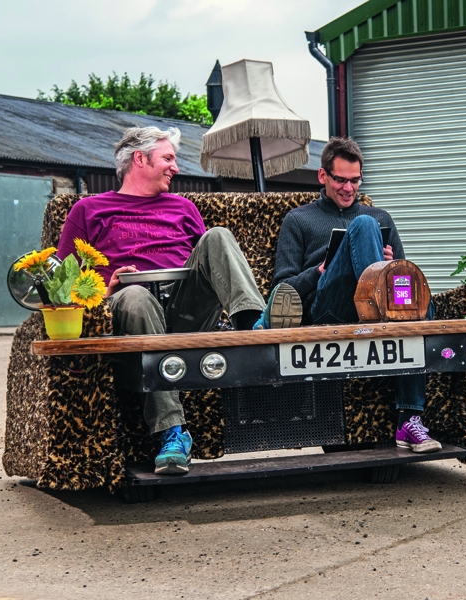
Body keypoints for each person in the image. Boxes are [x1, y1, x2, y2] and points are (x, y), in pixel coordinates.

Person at [56, 126, 302, 475]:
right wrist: (107, 290)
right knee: (137, 296)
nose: (175, 167)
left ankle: (254, 331)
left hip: (185, 309)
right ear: (139, 159)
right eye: (168, 159)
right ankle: (173, 434)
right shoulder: (88, 209)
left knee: (217, 236)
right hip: (131, 309)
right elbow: (63, 287)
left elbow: (212, 265)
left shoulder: (183, 207)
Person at [270, 137, 441, 453]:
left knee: (414, 295)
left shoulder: (383, 219)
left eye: (355, 180)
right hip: (328, 306)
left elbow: (403, 278)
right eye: (340, 180)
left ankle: (409, 421)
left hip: (375, 306)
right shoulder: (299, 219)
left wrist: (389, 265)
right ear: (323, 176)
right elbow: (283, 288)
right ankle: (383, 314)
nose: (349, 188)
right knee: (364, 224)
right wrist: (320, 270)